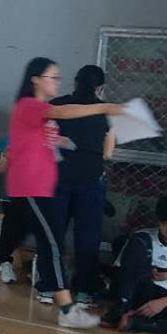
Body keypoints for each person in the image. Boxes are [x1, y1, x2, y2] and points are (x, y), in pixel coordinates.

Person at [0, 57, 122, 328]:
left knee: (9, 240)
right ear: (36, 79)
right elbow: (63, 112)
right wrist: (105, 107)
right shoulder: (30, 106)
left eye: (58, 77)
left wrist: (66, 142)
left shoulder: (40, 112)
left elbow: (47, 140)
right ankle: (67, 310)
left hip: (36, 187)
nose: (57, 81)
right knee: (52, 245)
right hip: (31, 187)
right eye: (52, 77)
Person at [47, 65, 115, 303]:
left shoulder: (57, 106)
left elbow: (44, 140)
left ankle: (49, 287)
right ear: (100, 88)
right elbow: (107, 153)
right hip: (91, 180)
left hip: (57, 177)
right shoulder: (105, 112)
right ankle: (84, 290)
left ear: (75, 82)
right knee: (88, 235)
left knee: (54, 232)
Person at [100, 196, 167, 334]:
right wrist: (146, 271)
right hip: (140, 291)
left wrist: (162, 303)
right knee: (139, 242)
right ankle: (122, 308)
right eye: (165, 224)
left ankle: (137, 323)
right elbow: (121, 271)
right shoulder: (143, 237)